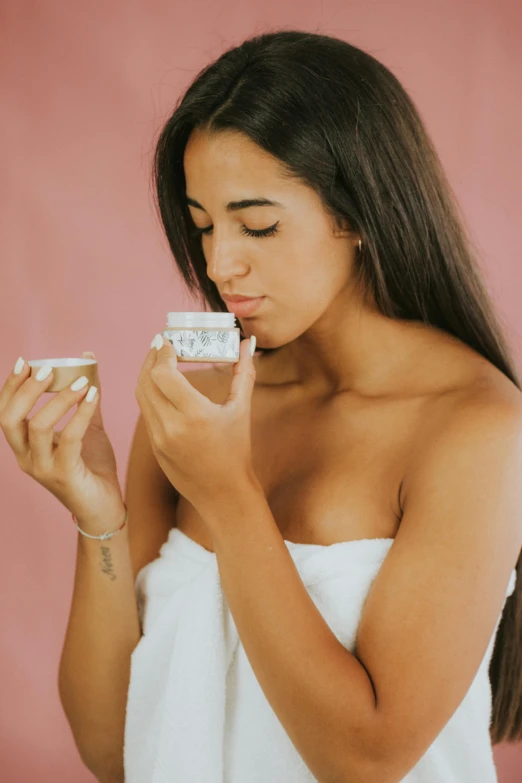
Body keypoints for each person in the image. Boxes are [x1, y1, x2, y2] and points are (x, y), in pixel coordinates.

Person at [1, 29, 521, 783]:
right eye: (204, 225)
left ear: (357, 211)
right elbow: (112, 745)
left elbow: (364, 759)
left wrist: (230, 495)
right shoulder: (201, 402)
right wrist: (99, 513)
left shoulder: (479, 430)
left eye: (258, 224)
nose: (218, 264)